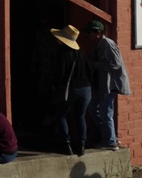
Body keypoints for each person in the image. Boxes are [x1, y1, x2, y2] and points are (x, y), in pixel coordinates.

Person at [83, 21, 131, 150]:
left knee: (105, 113)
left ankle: (110, 141)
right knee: (93, 110)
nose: (87, 35)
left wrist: (95, 64)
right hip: (100, 84)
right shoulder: (97, 44)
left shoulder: (108, 44)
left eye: (89, 32)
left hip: (109, 85)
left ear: (97, 32)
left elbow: (116, 64)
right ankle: (110, 137)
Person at [50, 24, 92, 156]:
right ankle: (81, 145)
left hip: (71, 89)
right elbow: (90, 71)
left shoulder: (62, 54)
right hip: (86, 89)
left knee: (62, 115)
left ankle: (66, 144)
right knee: (80, 116)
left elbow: (60, 74)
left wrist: (55, 85)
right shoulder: (82, 54)